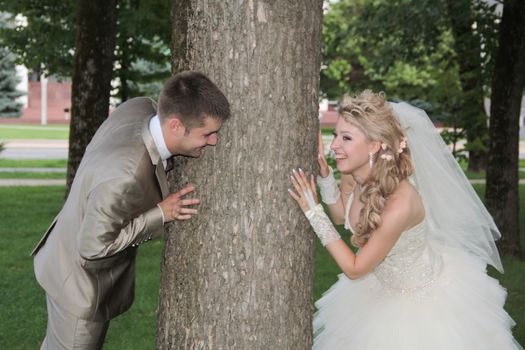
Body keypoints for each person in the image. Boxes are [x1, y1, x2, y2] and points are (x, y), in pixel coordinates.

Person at [289, 90, 523, 349]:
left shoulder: (400, 203)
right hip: (377, 289)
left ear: (375, 145)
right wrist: (324, 179)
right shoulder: (354, 173)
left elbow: (355, 269)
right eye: (335, 135)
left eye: (346, 138)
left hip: (420, 307)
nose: (334, 146)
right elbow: (341, 214)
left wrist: (313, 211)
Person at [31, 71, 230, 349]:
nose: (213, 142)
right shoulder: (125, 176)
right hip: (78, 288)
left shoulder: (139, 108)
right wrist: (160, 214)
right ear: (175, 125)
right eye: (206, 134)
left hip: (61, 254)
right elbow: (92, 247)